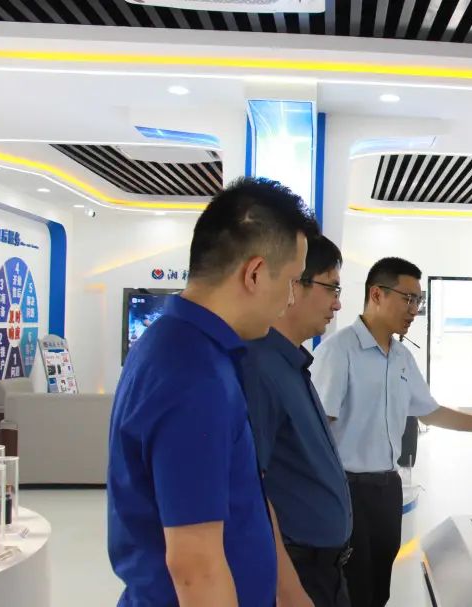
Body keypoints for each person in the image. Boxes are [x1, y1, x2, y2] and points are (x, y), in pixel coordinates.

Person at [107, 177, 310, 607]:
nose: (291, 299)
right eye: (292, 281)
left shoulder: (187, 346)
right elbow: (195, 567)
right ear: (255, 273)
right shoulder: (193, 375)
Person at [311, 257, 472, 607]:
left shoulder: (401, 356)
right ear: (377, 294)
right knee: (351, 588)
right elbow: (317, 428)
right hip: (346, 490)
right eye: (408, 299)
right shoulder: (339, 352)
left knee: (378, 588)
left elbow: (429, 410)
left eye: (419, 300)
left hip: (386, 488)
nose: (414, 310)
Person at [242, 230, 350, 607]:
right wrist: (287, 589)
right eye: (331, 288)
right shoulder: (259, 368)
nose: (338, 303)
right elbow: (251, 490)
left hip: (324, 570)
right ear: (294, 285)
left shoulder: (292, 364)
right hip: (296, 574)